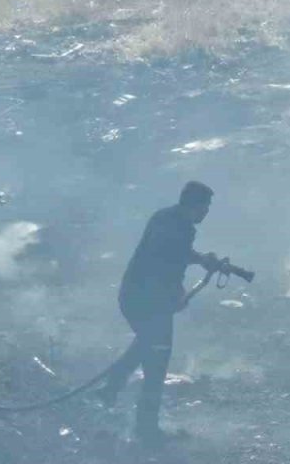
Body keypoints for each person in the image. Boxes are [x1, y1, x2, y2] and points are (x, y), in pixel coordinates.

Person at [97, 181, 222, 443]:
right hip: (147, 303)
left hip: (137, 298)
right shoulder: (178, 227)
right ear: (194, 205)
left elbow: (175, 253)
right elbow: (164, 261)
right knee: (156, 362)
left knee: (145, 346)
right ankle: (145, 429)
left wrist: (200, 259)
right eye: (205, 207)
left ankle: (108, 391)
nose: (206, 213)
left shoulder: (168, 219)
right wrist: (176, 293)